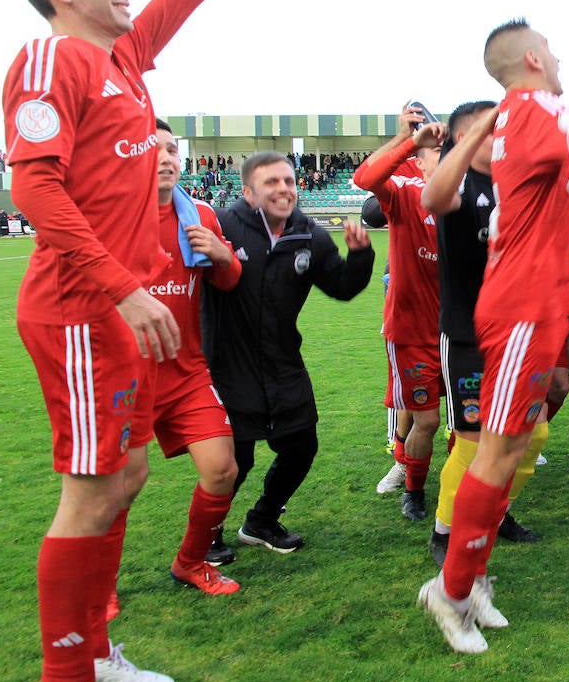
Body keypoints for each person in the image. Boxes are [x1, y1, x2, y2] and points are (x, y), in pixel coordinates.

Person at [5, 0, 249, 682]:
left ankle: (92, 651)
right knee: (93, 489)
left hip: (114, 314)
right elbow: (33, 185)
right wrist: (123, 288)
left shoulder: (124, 61)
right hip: (79, 311)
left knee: (130, 472)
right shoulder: (50, 59)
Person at [417, 19, 569, 654]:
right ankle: (451, 590)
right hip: (518, 312)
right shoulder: (532, 109)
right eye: (555, 48)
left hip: (537, 307)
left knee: (513, 449)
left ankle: (472, 578)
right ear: (536, 58)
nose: (562, 57)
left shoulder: (532, 120)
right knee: (494, 450)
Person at [202, 152, 374, 556]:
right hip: (229, 365)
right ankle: (208, 530)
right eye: (271, 183)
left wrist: (361, 256)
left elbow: (343, 287)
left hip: (283, 363)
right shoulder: (223, 227)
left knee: (301, 447)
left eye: (288, 181)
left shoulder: (309, 235)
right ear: (247, 191)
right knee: (235, 461)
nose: (283, 189)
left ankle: (261, 521)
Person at [422, 100, 548, 567]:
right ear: (463, 140)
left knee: (532, 437)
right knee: (473, 440)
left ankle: (496, 513)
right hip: (467, 336)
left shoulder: (519, 185)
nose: (499, 137)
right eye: (487, 131)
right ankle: (445, 530)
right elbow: (433, 197)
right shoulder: (456, 186)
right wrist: (465, 138)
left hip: (517, 337)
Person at [149, 121, 243, 593]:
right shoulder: (109, 214)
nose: (166, 157)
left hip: (185, 371)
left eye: (172, 149)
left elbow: (228, 279)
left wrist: (222, 256)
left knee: (222, 468)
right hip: (121, 373)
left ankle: (190, 562)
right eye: (154, 147)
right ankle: (96, 580)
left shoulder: (199, 213)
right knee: (115, 488)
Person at [353, 104, 447, 522]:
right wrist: (409, 140)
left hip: (460, 333)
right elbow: (365, 179)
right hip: (412, 332)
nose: (442, 161)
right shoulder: (406, 196)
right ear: (418, 163)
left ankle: (464, 492)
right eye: (432, 154)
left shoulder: (468, 205)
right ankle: (414, 487)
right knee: (424, 421)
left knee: (466, 423)